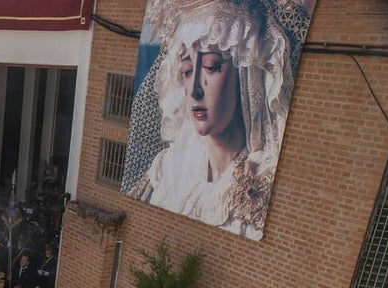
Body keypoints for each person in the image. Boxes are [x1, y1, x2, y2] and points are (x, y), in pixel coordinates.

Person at [127, 0, 302, 240]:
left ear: (245, 75)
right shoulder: (171, 169)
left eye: (211, 67)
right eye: (187, 71)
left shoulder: (263, 176)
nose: (195, 90)